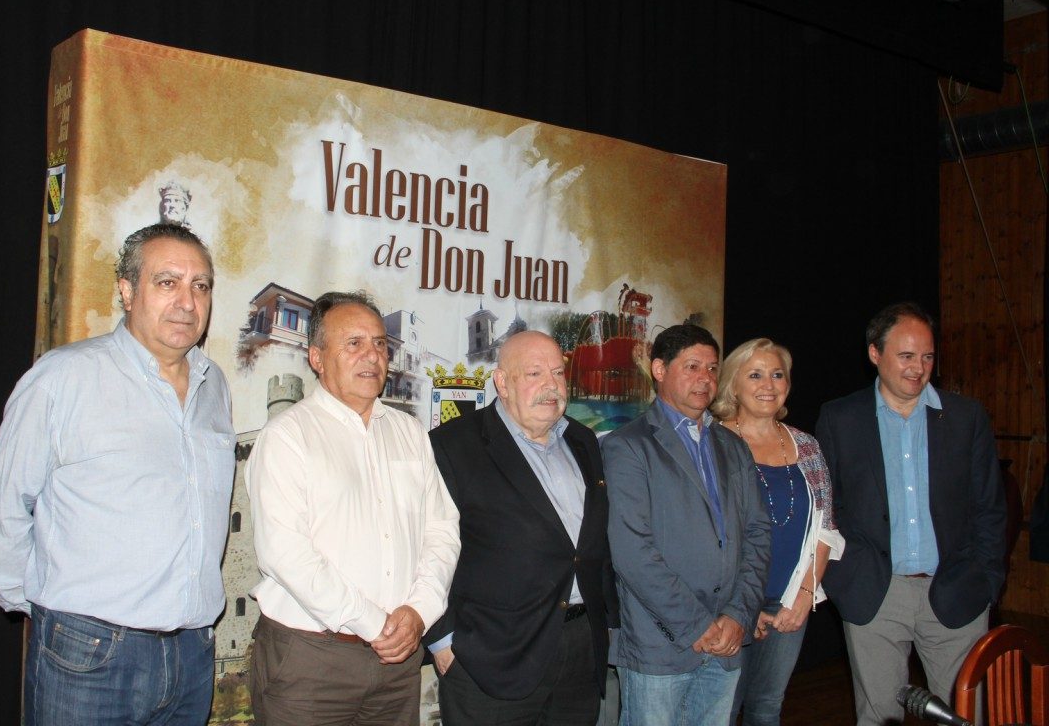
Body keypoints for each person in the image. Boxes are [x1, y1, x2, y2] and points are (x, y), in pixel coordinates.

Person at [0, 222, 235, 725]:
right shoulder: (63, 378)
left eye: (200, 286)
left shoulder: (214, 385)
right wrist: (41, 609)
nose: (187, 301)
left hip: (193, 656)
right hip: (88, 658)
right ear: (127, 290)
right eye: (167, 282)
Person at [247, 290, 461, 725]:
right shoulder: (288, 437)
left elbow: (442, 529)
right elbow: (285, 553)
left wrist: (419, 611)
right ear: (317, 358)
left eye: (380, 343)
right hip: (310, 662)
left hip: (397, 664)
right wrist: (374, 622)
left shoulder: (410, 432)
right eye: (354, 343)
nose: (372, 355)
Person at [816, 302, 1007, 726]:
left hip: (956, 590)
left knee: (960, 716)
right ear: (874, 354)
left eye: (927, 356)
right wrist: (843, 579)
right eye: (906, 356)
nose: (918, 368)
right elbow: (826, 510)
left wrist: (987, 582)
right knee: (879, 717)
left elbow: (990, 508)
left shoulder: (966, 417)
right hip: (874, 593)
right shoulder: (840, 418)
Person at [423, 330, 618, 725]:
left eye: (558, 373)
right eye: (534, 373)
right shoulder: (452, 444)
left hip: (579, 654)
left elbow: (595, 545)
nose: (551, 385)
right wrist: (441, 641)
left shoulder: (583, 441)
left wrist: (608, 625)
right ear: (502, 383)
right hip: (490, 658)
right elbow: (421, 544)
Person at [603, 323, 771, 726]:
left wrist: (738, 615)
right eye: (692, 366)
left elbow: (758, 534)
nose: (705, 379)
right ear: (659, 370)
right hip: (661, 644)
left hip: (727, 639)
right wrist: (697, 624)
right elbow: (631, 551)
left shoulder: (732, 446)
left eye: (712, 369)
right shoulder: (627, 446)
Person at [712, 339, 844, 726]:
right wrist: (741, 607)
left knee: (767, 709)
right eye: (754, 374)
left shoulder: (806, 445)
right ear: (733, 384)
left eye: (776, 374)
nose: (767, 384)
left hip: (788, 605)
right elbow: (707, 533)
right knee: (722, 710)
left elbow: (826, 527)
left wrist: (803, 598)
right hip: (727, 606)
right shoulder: (712, 443)